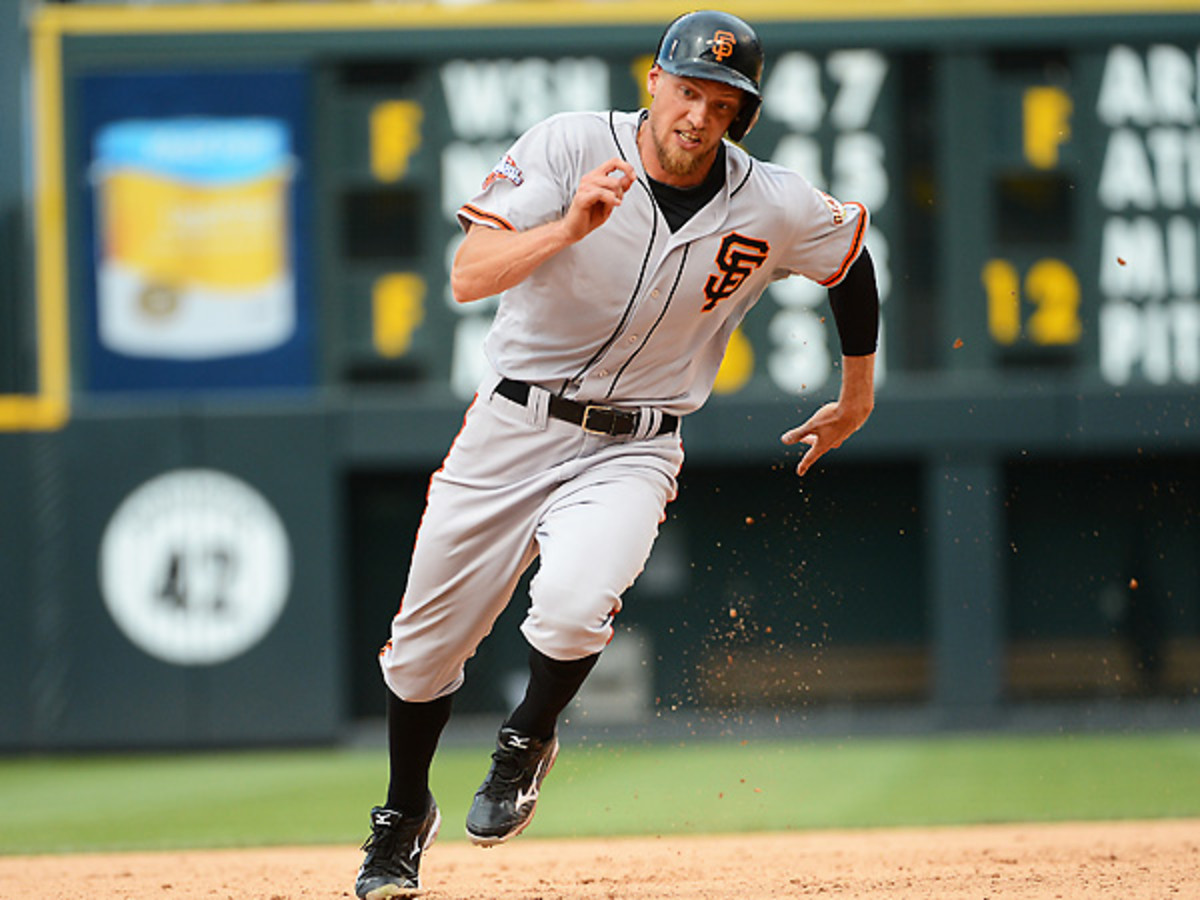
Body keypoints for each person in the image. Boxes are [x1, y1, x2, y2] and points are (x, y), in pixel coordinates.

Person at [354, 9, 879, 898]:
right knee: (420, 652)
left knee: (569, 606)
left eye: (723, 102)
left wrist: (858, 392)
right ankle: (404, 813)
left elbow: (850, 257)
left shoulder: (774, 201)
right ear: (654, 82)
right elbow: (467, 274)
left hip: (633, 446)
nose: (700, 115)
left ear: (741, 115)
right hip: (512, 429)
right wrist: (565, 227)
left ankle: (527, 738)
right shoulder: (567, 147)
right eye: (688, 90)